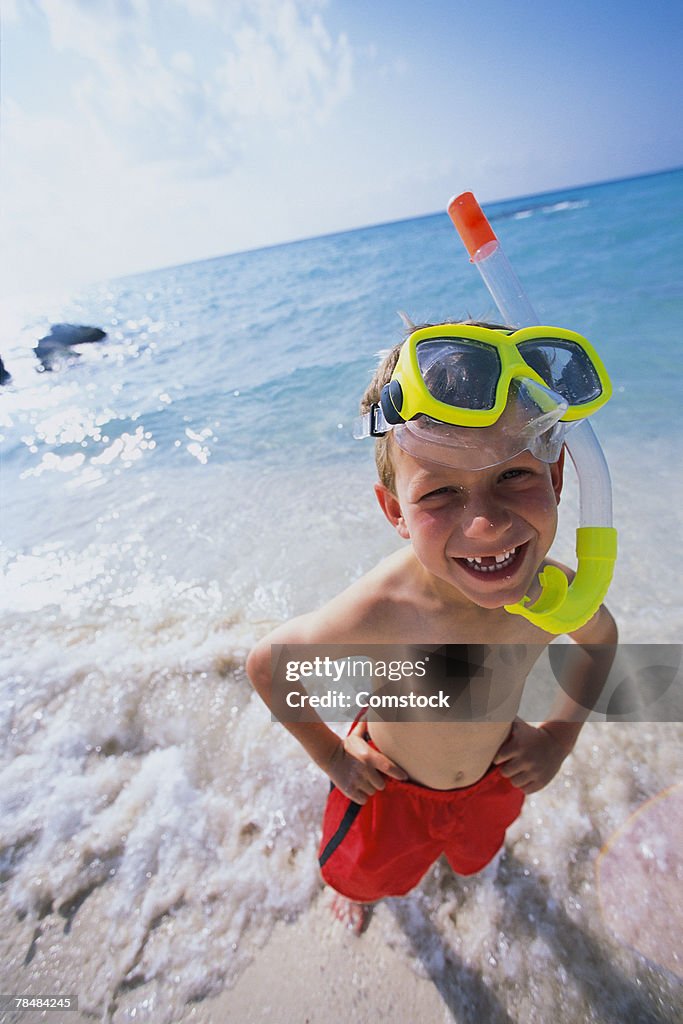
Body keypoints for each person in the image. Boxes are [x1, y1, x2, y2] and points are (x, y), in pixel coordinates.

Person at [246, 320, 617, 932]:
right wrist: (334, 757)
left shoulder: (553, 595)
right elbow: (268, 664)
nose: (485, 526)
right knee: (368, 874)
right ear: (395, 511)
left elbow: (602, 644)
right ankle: (363, 895)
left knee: (475, 858)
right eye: (441, 494)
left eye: (512, 475)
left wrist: (557, 738)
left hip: (493, 776)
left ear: (555, 479)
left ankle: (460, 861)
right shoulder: (384, 608)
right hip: (389, 789)